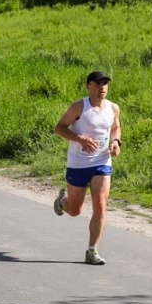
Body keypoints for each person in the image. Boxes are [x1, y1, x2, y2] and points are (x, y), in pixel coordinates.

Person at [53, 70, 122, 266]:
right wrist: (80, 139)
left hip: (102, 162)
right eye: (97, 83)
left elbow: (115, 127)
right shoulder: (79, 107)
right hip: (78, 164)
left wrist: (116, 142)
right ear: (88, 86)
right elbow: (59, 128)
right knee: (75, 210)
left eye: (105, 83)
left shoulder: (113, 108)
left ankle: (92, 250)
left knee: (100, 204)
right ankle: (63, 202)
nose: (102, 87)